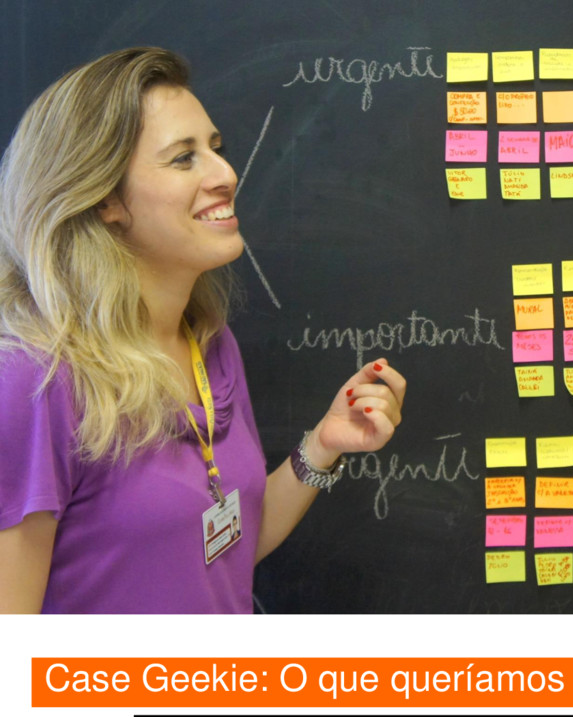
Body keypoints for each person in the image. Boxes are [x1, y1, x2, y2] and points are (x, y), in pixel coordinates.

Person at [0, 48, 406, 613]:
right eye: (183, 158)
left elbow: (223, 551)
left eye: (216, 148)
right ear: (105, 198)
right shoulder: (34, 381)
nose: (226, 175)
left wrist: (322, 446)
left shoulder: (208, 344)